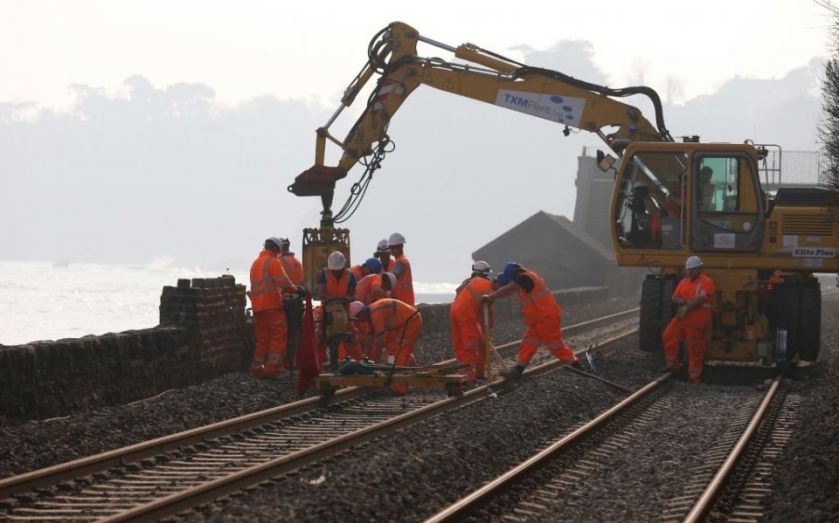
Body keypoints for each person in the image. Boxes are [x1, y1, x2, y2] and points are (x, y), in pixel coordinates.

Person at [483, 262, 578, 382]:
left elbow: (508, 289)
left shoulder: (525, 277)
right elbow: (508, 291)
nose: (512, 280)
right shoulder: (524, 279)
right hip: (538, 320)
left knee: (556, 346)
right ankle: (517, 371)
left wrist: (490, 297)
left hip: (546, 317)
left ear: (514, 274)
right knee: (528, 343)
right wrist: (493, 296)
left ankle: (576, 364)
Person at [348, 298, 423, 393]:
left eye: (358, 318)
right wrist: (367, 358)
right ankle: (409, 361)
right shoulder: (369, 314)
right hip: (399, 325)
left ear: (361, 312)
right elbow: (370, 338)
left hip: (412, 320)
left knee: (399, 353)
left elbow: (379, 341)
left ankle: (400, 387)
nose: (358, 321)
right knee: (390, 349)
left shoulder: (376, 314)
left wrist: (376, 364)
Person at [662, 255, 715, 384]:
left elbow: (701, 300)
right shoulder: (684, 282)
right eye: (688, 269)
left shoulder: (707, 281)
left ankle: (694, 377)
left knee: (695, 349)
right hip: (682, 318)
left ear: (699, 269)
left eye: (693, 269)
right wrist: (685, 303)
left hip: (697, 321)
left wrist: (685, 305)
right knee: (668, 336)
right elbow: (674, 297)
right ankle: (673, 366)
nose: (690, 271)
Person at [248, 237, 296, 378]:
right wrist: (295, 289)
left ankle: (257, 368)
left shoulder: (255, 263)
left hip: (257, 308)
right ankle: (272, 369)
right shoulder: (273, 261)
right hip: (272, 307)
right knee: (278, 336)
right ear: (275, 249)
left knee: (262, 339)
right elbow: (283, 283)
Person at [450, 261, 494, 382]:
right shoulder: (483, 284)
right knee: (471, 346)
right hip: (467, 317)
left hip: (456, 312)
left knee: (463, 347)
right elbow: (485, 306)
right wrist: (488, 322)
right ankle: (470, 376)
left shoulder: (466, 283)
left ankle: (468, 373)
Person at [315, 251, 360, 367]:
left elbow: (353, 294)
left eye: (337, 270)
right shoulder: (324, 274)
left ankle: (359, 365)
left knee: (352, 337)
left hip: (344, 312)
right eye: (333, 270)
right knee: (321, 338)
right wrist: (336, 299)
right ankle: (316, 367)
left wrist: (345, 299)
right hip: (326, 312)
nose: (335, 272)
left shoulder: (350, 276)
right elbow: (321, 292)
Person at [279, 237, 305, 369]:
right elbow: (301, 282)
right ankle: (294, 360)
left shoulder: (281, 261)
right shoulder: (297, 262)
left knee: (284, 331)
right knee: (295, 331)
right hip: (297, 301)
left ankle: (286, 360)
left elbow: (279, 282)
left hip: (285, 301)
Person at [387, 232, 414, 306]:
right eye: (390, 247)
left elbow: (394, 276)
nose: (392, 250)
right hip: (403, 303)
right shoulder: (398, 261)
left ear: (401, 246)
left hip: (403, 304)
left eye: (394, 247)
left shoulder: (401, 262)